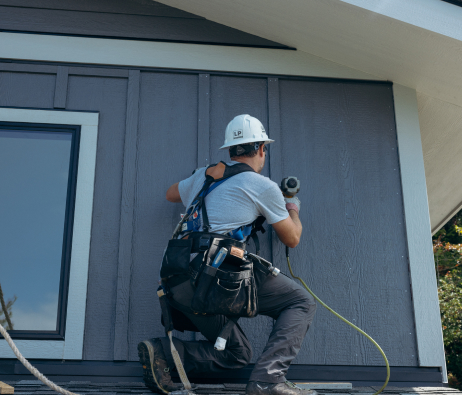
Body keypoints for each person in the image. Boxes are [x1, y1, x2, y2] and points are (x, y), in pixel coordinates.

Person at [138, 115, 317, 395]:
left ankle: (162, 352)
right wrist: (291, 206)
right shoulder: (263, 186)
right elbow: (292, 238)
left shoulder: (205, 175)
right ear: (260, 149)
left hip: (179, 278)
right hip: (215, 277)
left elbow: (171, 194)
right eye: (264, 150)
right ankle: (268, 381)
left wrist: (202, 177)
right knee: (301, 302)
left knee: (237, 353)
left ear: (231, 150)